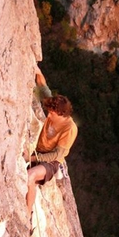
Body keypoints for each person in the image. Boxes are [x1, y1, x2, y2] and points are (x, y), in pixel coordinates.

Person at [25, 68, 78, 225]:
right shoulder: (53, 107)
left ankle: (27, 216)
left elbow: (56, 154)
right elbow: (42, 83)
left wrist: (32, 158)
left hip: (51, 161)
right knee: (29, 179)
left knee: (30, 176)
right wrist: (34, 64)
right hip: (39, 149)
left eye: (52, 114)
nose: (48, 115)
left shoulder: (70, 128)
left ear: (62, 114)